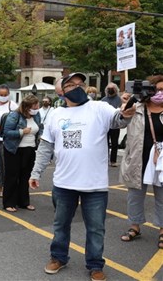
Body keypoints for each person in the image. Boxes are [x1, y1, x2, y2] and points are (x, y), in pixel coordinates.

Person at [29, 72, 135, 281]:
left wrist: (126, 113)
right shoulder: (56, 114)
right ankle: (58, 257)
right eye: (71, 85)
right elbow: (45, 147)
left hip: (94, 185)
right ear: (61, 91)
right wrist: (36, 172)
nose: (78, 87)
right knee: (60, 225)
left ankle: (95, 264)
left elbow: (119, 120)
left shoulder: (99, 108)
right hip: (63, 183)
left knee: (96, 228)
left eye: (81, 84)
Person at [119, 75, 163, 248]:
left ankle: (162, 229)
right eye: (157, 89)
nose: (160, 93)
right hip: (139, 157)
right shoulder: (136, 107)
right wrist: (128, 102)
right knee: (135, 195)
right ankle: (134, 226)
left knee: (162, 196)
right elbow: (120, 123)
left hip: (160, 161)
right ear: (149, 90)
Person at [1, 94, 43, 212]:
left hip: (30, 149)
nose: (36, 110)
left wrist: (40, 135)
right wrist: (21, 132)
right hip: (14, 149)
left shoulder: (37, 115)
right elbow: (6, 132)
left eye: (37, 107)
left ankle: (24, 202)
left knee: (26, 176)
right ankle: (9, 202)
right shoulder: (15, 116)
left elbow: (40, 127)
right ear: (26, 107)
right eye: (34, 107)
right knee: (12, 176)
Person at [102, 83, 122, 167]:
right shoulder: (103, 100)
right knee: (104, 143)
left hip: (115, 125)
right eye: (109, 88)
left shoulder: (120, 100)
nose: (110, 90)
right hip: (105, 125)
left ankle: (113, 161)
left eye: (112, 88)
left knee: (114, 143)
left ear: (116, 89)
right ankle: (105, 160)